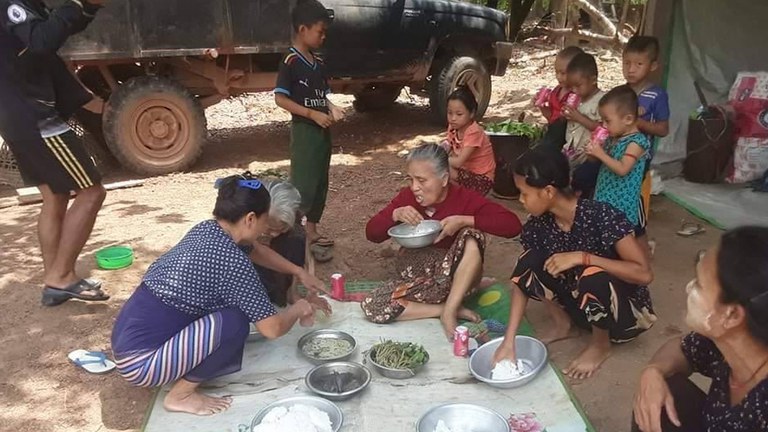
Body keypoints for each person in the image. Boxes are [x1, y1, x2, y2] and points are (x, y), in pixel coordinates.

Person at [111, 173, 326, 416]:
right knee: (234, 322)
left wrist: (299, 271)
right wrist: (298, 308)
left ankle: (180, 368)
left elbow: (255, 250)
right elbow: (272, 329)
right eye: (266, 221)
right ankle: (180, 395)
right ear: (251, 219)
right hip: (142, 364)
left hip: (126, 342)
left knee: (228, 313)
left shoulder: (208, 230)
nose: (266, 228)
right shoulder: (232, 263)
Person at [493, 149, 656, 379]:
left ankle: (600, 345)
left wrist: (583, 257)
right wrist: (509, 342)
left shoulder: (601, 215)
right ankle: (563, 324)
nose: (520, 200)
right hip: (582, 308)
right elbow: (524, 277)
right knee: (530, 259)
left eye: (523, 193)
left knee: (591, 274)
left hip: (624, 316)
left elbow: (643, 274)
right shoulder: (538, 225)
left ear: (548, 191)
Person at [0, 0, 108, 305]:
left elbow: (52, 30)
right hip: (36, 119)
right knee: (92, 192)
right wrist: (78, 5)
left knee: (56, 195)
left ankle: (54, 279)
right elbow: (40, 42)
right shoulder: (10, 4)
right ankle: (61, 277)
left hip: (18, 116)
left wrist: (86, 8)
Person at [361, 144, 522, 338]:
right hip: (421, 285)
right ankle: (446, 309)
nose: (415, 187)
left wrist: (465, 220)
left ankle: (449, 310)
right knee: (372, 305)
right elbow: (372, 234)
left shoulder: (465, 199)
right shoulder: (407, 198)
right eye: (410, 179)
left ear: (444, 179)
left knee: (472, 235)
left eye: (421, 180)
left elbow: (512, 225)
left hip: (456, 282)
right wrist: (395, 214)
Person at [633, 226, 768, 432]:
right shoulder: (730, 342)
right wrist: (653, 372)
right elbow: (681, 349)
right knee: (663, 392)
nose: (688, 287)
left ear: (732, 315)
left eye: (699, 284)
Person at [274, 0, 344, 262]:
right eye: (320, 31)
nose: (323, 36)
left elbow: (323, 95)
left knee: (319, 184)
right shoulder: (291, 61)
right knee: (302, 186)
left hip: (322, 133)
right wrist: (311, 114)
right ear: (303, 29)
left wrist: (331, 107)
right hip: (304, 132)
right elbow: (280, 99)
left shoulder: (318, 62)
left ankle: (311, 232)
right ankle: (293, 238)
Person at [255, 180, 331, 315]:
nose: (274, 234)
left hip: (274, 258)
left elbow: (306, 255)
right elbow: (256, 251)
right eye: (270, 229)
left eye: (281, 229)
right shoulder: (244, 223)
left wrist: (310, 293)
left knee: (296, 238)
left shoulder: (293, 224)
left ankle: (290, 291)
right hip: (249, 273)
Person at [623, 36, 670, 251]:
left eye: (638, 64)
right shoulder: (621, 92)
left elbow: (663, 129)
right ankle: (622, 241)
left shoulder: (657, 95)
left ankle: (641, 244)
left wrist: (638, 122)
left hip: (640, 158)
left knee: (633, 200)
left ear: (653, 66)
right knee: (618, 197)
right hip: (617, 153)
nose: (631, 69)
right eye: (627, 63)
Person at [586, 85, 651, 235]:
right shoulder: (613, 138)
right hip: (604, 197)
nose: (604, 125)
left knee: (622, 240)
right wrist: (593, 151)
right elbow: (596, 161)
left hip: (622, 203)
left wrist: (601, 154)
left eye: (607, 121)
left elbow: (623, 169)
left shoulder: (636, 142)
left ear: (628, 119)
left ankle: (641, 254)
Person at [561, 52, 605, 198]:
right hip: (571, 151)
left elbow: (602, 129)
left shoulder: (602, 101)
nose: (574, 90)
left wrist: (578, 117)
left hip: (589, 155)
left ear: (593, 80)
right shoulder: (577, 99)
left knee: (582, 178)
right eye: (571, 86)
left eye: (578, 86)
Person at [443, 86, 496, 195]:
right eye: (450, 113)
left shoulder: (473, 132)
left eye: (459, 114)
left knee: (441, 168)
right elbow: (448, 143)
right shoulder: (454, 127)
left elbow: (458, 162)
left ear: (471, 113)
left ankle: (465, 197)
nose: (453, 118)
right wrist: (435, 151)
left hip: (481, 179)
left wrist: (438, 158)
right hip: (466, 173)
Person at [536, 46, 584, 153]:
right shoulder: (556, 92)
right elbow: (552, 119)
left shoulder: (577, 95)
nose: (558, 77)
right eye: (556, 72)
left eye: (563, 73)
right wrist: (544, 111)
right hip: (554, 134)